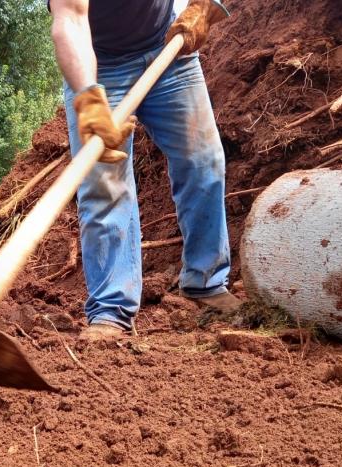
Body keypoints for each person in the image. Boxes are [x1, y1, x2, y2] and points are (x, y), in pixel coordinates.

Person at [48, 0, 240, 341]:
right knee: (103, 183)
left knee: (203, 160)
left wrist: (201, 5)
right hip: (100, 67)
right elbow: (70, 21)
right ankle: (111, 310)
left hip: (168, 50)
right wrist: (88, 96)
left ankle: (205, 282)